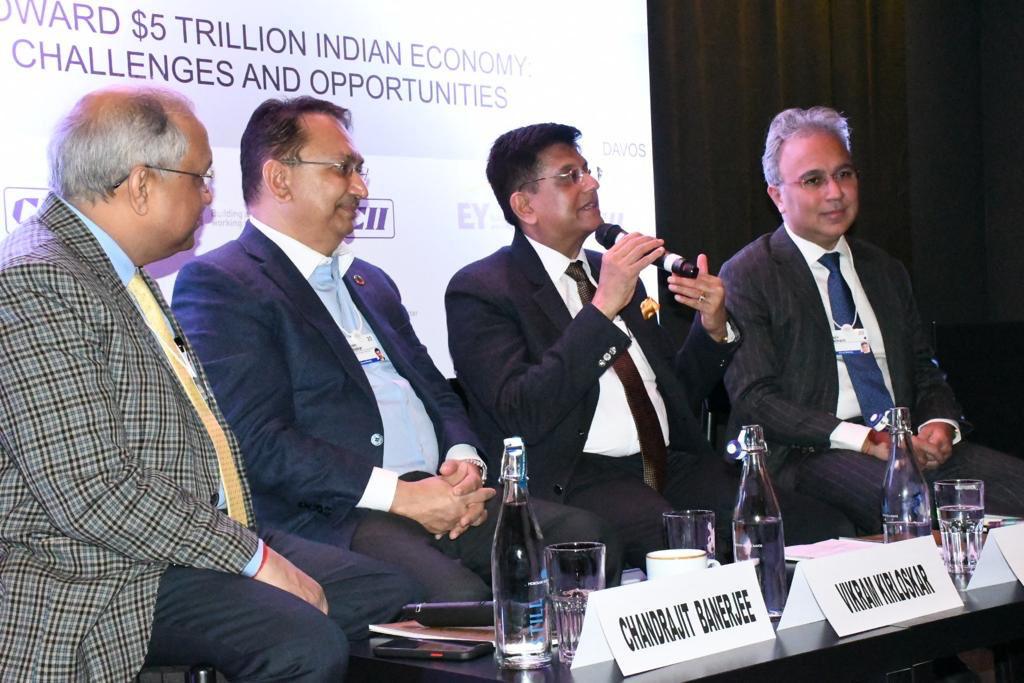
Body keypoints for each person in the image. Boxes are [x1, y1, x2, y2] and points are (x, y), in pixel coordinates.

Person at [0, 86, 418, 682]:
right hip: (98, 569)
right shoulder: (38, 282)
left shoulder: (115, 268)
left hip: (182, 538)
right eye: (200, 178)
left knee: (382, 593)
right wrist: (251, 559)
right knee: (301, 644)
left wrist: (249, 546)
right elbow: (92, 491)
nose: (209, 196)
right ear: (142, 184)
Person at [172, 97, 620, 600]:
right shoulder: (222, 282)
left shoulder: (370, 281)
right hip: (338, 512)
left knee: (582, 541)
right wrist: (402, 497)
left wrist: (464, 462)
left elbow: (438, 392)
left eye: (360, 170)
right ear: (280, 179)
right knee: (459, 599)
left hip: (435, 493)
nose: (361, 187)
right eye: (343, 169)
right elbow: (259, 442)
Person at [445, 123, 851, 568]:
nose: (591, 183)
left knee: (815, 525)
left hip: (670, 464)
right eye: (569, 176)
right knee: (683, 544)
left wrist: (712, 328)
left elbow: (676, 391)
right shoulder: (482, 289)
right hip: (579, 475)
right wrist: (600, 310)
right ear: (524, 204)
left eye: (587, 170)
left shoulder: (614, 271)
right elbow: (519, 410)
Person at [719, 106, 1024, 533]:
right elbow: (757, 400)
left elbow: (923, 369)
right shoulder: (750, 274)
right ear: (776, 195)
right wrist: (865, 440)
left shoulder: (884, 270)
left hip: (908, 444)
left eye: (844, 174)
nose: (835, 193)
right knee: (911, 502)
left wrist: (940, 424)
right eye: (813, 180)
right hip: (813, 454)